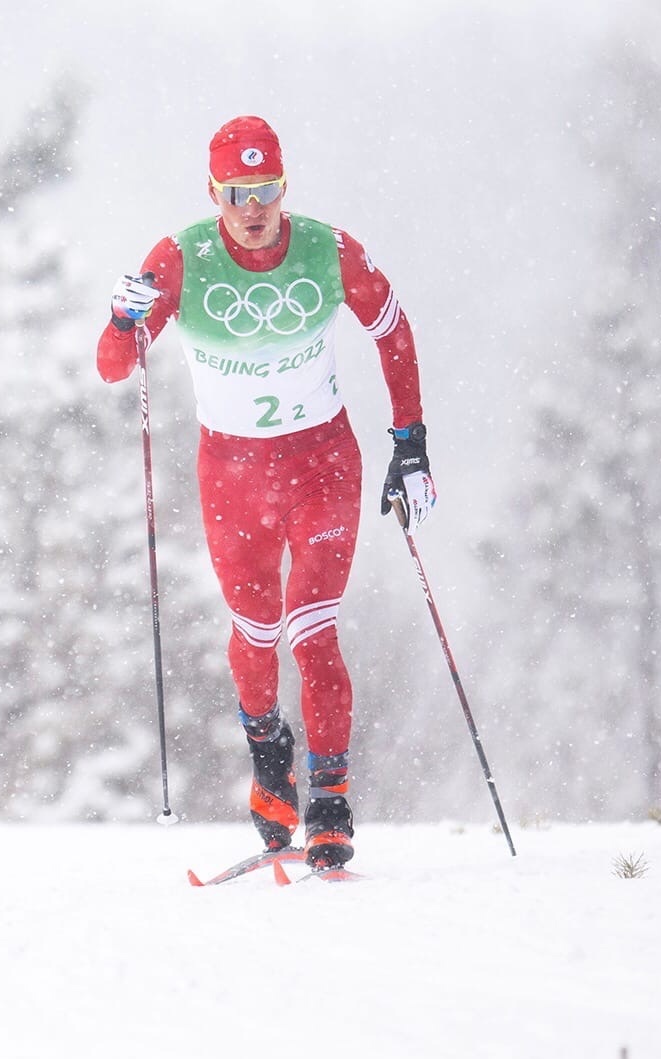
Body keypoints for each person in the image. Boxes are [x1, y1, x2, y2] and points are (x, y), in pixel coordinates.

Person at [97, 115, 434, 869]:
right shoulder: (180, 259)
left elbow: (394, 329)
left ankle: (331, 800)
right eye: (238, 192)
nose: (254, 207)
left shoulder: (328, 249)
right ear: (214, 192)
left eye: (268, 188)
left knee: (314, 631)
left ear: (286, 186)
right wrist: (123, 318)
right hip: (233, 477)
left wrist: (409, 442)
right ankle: (268, 755)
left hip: (322, 465)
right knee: (254, 634)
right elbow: (115, 366)